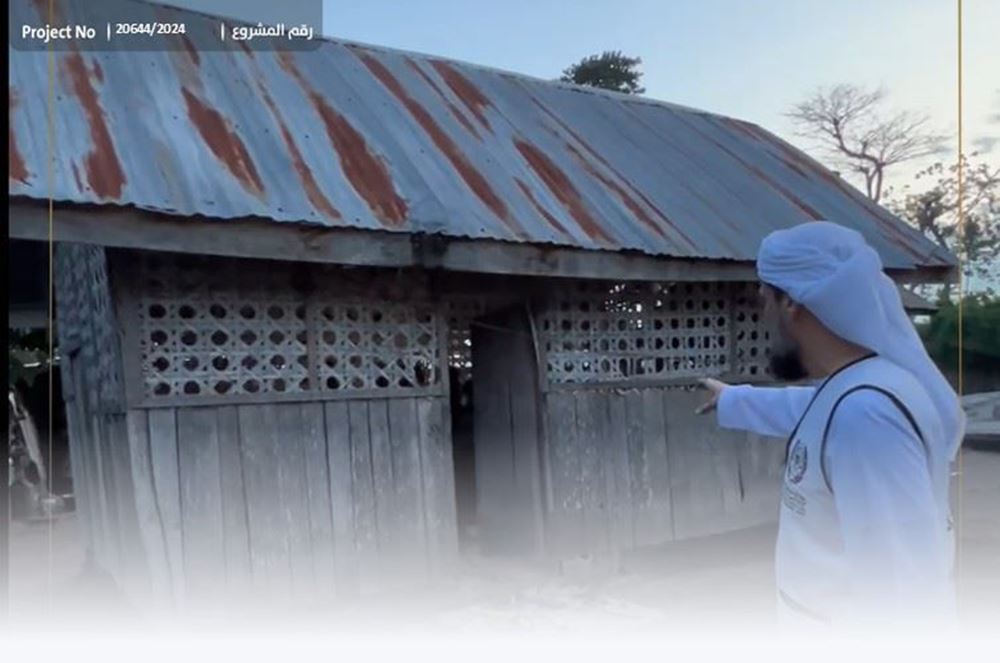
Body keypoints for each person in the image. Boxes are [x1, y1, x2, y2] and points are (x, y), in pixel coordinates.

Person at [696, 221, 964, 630]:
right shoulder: (858, 389)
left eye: (766, 299)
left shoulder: (868, 416)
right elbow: (812, 408)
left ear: (793, 304)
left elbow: (901, 593)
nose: (763, 314)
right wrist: (733, 400)